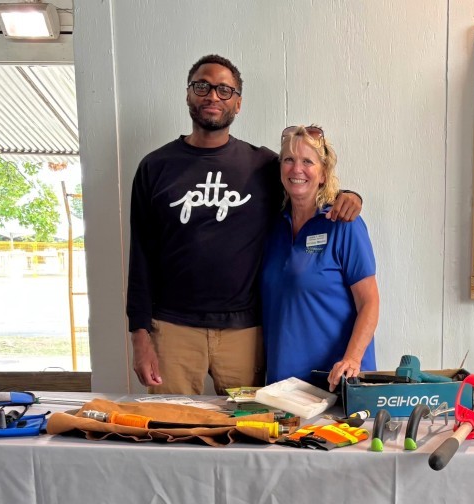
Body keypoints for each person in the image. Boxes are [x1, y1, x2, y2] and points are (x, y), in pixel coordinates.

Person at [125, 55, 362, 394]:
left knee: (246, 431)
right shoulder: (155, 167)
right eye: (202, 86)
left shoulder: (263, 165)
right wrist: (140, 337)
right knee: (170, 432)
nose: (212, 96)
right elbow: (141, 257)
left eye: (225, 90)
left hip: (245, 333)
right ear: (188, 94)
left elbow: (307, 176)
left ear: (238, 103)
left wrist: (350, 195)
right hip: (172, 329)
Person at [260, 125, 379, 391]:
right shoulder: (273, 228)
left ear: (323, 173)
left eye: (307, 162)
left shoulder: (343, 224)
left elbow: (369, 301)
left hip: (335, 382)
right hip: (284, 385)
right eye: (289, 160)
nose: (296, 169)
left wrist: (352, 359)